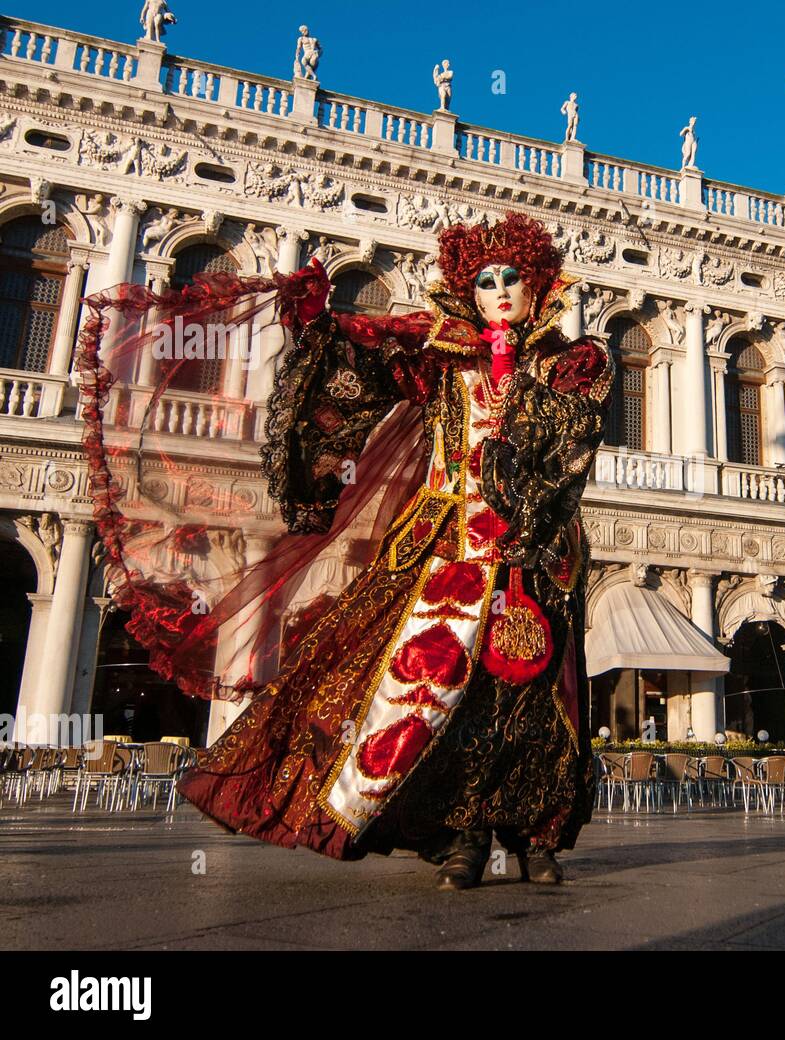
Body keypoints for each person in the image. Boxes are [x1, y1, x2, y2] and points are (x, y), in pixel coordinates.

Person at [77, 212, 613, 891]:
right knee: (438, 691)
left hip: (534, 550)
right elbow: (369, 355)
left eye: (514, 278)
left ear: (538, 285)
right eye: (486, 280)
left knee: (534, 695)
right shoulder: (440, 355)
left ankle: (536, 834)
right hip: (445, 547)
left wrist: (520, 486)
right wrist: (319, 323)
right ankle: (465, 834)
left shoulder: (573, 361)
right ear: (469, 291)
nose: (501, 290)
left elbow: (571, 447)